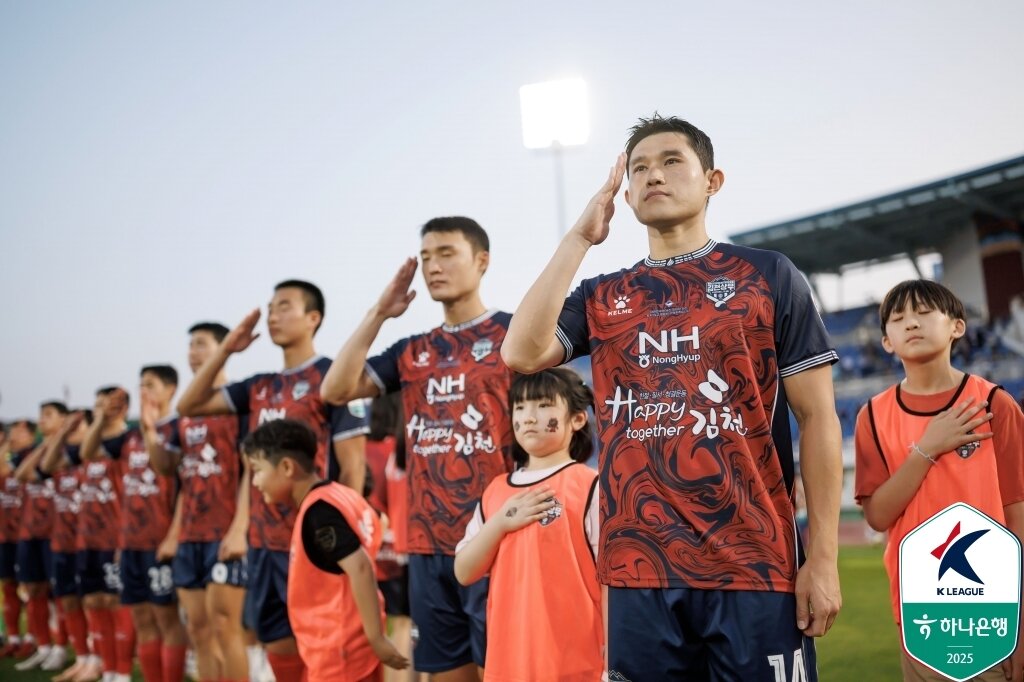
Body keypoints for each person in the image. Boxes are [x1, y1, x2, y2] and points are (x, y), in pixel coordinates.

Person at [501, 114, 844, 681]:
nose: (652, 175)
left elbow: (819, 419)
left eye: (670, 161)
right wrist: (580, 238)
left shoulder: (768, 276)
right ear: (626, 192)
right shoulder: (601, 295)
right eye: (638, 168)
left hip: (754, 561)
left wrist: (824, 560)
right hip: (639, 565)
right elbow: (521, 351)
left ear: (713, 180)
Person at [321, 217, 513, 680]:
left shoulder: (513, 334)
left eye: (447, 253)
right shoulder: (412, 351)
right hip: (428, 543)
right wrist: (379, 313)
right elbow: (336, 389)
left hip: (497, 539)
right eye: (426, 257)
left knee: (506, 670)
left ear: (481, 261)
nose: (433, 266)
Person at [176, 280, 370, 682]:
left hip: (312, 546)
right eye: (269, 307)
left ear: (313, 318)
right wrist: (227, 349)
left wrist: (341, 537)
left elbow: (352, 469)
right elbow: (189, 404)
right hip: (264, 545)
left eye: (284, 306)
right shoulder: (260, 386)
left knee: (325, 652)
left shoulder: (333, 378)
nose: (273, 314)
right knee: (279, 648)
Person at [854, 280, 1024, 682]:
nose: (911, 323)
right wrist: (927, 448)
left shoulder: (994, 404)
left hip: (992, 606)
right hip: (920, 607)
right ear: (887, 342)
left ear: (957, 327)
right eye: (898, 319)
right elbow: (878, 515)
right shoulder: (872, 416)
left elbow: (1018, 515)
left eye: (924, 312)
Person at [455, 367, 602, 682]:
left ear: (577, 419)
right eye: (520, 407)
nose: (530, 417)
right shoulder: (495, 491)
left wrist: (613, 659)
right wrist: (501, 523)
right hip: (507, 663)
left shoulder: (591, 485)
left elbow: (612, 583)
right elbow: (465, 571)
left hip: (577, 663)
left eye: (544, 405)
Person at [243, 419, 408, 681]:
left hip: (340, 654)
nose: (255, 482)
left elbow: (361, 567)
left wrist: (377, 637)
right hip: (348, 650)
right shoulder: (342, 495)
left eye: (258, 470)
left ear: (287, 467)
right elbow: (378, 521)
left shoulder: (319, 513)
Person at [144, 322, 251, 682]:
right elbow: (167, 469)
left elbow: (253, 473)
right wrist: (148, 431)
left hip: (225, 536)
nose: (193, 352)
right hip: (190, 536)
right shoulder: (183, 417)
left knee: (226, 628)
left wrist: (239, 529)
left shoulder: (238, 405)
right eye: (190, 345)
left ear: (224, 348)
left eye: (202, 344)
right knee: (200, 632)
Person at [81, 370, 189, 682]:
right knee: (142, 619)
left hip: (160, 543)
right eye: (140, 385)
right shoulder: (129, 437)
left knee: (167, 620)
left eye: (151, 385)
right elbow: (88, 453)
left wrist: (172, 536)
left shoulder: (178, 429)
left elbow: (185, 488)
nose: (144, 391)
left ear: (170, 389)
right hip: (130, 544)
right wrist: (102, 420)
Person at [39, 408, 103, 682]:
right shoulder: (68, 459)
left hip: (90, 543)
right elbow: (45, 466)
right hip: (62, 543)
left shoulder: (99, 456)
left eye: (77, 427)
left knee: (95, 602)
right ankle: (83, 658)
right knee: (69, 601)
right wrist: (62, 433)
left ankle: (100, 659)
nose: (73, 432)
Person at [11, 401, 69, 672]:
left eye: (49, 415)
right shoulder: (31, 454)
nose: (43, 420)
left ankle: (62, 647)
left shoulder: (69, 453)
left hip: (56, 533)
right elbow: (22, 476)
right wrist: (42, 446)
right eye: (41, 415)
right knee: (33, 589)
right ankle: (43, 646)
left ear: (64, 419)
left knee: (62, 594)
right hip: (29, 532)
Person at [0, 418, 38, 659]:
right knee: (8, 585)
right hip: (6, 534)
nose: (14, 435)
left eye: (19, 432)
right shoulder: (9, 457)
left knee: (31, 588)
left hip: (27, 533)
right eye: (11, 431)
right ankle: (13, 637)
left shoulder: (33, 457)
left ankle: (34, 639)